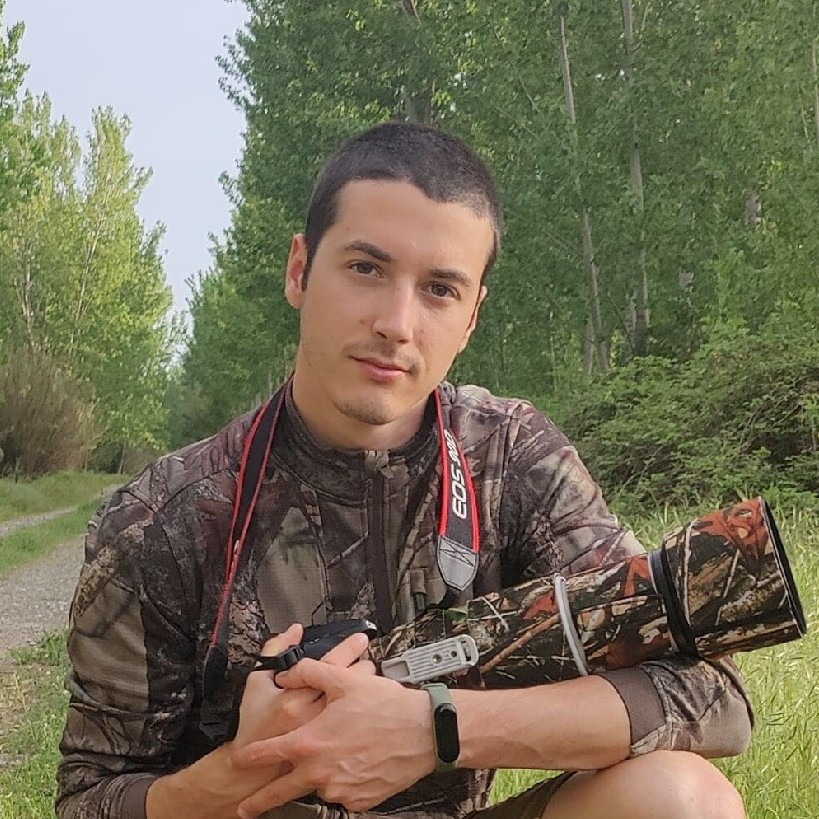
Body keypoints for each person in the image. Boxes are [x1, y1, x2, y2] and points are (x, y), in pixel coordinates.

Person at [56, 122, 753, 819]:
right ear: (299, 270)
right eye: (366, 268)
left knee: (681, 800)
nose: (396, 322)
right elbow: (90, 798)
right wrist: (247, 764)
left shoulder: (510, 459)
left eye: (440, 289)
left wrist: (437, 728)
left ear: (472, 316)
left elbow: (714, 695)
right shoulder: (165, 516)